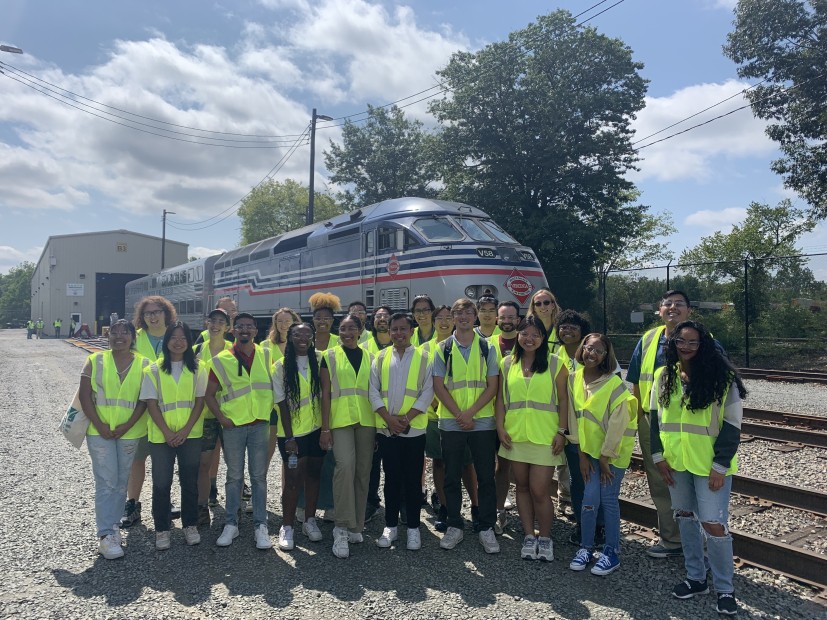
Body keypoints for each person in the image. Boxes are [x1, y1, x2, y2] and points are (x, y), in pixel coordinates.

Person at [651, 320, 745, 616]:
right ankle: (695, 578)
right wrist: (657, 456)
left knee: (713, 524)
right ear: (673, 344)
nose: (687, 347)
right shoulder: (662, 376)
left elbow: (732, 425)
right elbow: (655, 420)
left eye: (693, 342)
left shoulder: (722, 377)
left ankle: (725, 588)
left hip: (710, 467)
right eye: (681, 342)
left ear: (703, 345)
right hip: (676, 463)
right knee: (685, 517)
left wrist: (720, 466)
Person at [495, 316, 568, 562]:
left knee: (540, 490)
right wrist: (500, 427)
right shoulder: (507, 364)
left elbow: (564, 400)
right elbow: (501, 400)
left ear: (543, 338)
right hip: (515, 436)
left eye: (536, 335)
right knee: (522, 487)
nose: (530, 339)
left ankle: (545, 538)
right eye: (525, 334)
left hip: (545, 437)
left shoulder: (556, 364)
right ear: (517, 335)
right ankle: (528, 535)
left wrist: (562, 431)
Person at [626, 290, 691, 558]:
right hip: (652, 420)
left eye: (679, 304)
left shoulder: (703, 339)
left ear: (689, 311)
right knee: (658, 477)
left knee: (690, 476)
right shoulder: (649, 338)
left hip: (689, 422)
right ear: (659, 309)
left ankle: (698, 541)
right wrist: (641, 415)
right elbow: (635, 378)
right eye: (668, 304)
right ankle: (672, 539)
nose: (673, 307)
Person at [77, 320, 150, 560]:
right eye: (114, 332)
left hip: (130, 431)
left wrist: (126, 425)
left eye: (125, 332)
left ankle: (114, 525)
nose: (119, 336)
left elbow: (143, 400)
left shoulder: (143, 364)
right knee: (106, 480)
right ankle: (105, 534)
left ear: (132, 337)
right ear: (108, 336)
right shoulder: (95, 361)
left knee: (120, 480)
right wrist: (99, 424)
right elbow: (84, 396)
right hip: (99, 432)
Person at [433, 298, 500, 553]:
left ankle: (486, 527)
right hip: (451, 421)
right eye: (458, 313)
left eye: (468, 312)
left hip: (481, 421)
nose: (463, 317)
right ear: (452, 317)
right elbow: (439, 385)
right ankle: (454, 525)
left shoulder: (487, 348)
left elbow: (492, 385)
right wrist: (460, 414)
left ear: (475, 317)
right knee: (451, 475)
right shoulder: (443, 348)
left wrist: (470, 413)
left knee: (486, 476)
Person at [568, 333, 637, 576]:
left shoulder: (613, 383)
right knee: (589, 501)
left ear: (606, 356)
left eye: (599, 351)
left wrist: (605, 457)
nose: (592, 354)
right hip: (589, 454)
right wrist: (582, 456)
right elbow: (574, 420)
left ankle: (611, 552)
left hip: (612, 455)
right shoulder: (574, 379)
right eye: (589, 348)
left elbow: (618, 424)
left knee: (607, 500)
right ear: (582, 349)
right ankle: (586, 547)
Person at [205, 312, 274, 550]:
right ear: (233, 330)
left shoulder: (266, 355)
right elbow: (209, 394)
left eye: (249, 327)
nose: (245, 330)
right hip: (233, 426)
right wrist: (222, 418)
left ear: (256, 331)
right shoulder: (221, 359)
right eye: (240, 326)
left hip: (259, 424)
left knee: (258, 477)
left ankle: (260, 525)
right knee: (234, 476)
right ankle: (231, 524)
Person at [370, 313, 433, 551]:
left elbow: (428, 392)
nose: (398, 333)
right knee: (392, 478)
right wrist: (388, 419)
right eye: (394, 329)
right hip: (387, 430)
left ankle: (414, 528)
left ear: (411, 331)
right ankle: (391, 526)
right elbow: (373, 391)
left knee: (412, 480)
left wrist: (406, 419)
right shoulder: (381, 357)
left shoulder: (425, 357)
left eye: (403, 329)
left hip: (414, 430)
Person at [141, 322, 206, 549]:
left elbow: (199, 402)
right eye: (174, 337)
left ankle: (190, 525)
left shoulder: (199, 368)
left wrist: (185, 430)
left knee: (189, 481)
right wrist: (168, 432)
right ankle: (162, 528)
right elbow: (151, 404)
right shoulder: (153, 370)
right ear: (166, 340)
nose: (178, 342)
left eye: (183, 338)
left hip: (191, 435)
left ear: (189, 342)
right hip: (161, 436)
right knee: (161, 482)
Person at [320, 314, 375, 558]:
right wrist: (324, 428)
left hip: (366, 421)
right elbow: (325, 394)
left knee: (363, 472)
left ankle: (356, 525)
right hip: (340, 420)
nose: (347, 333)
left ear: (361, 330)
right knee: (344, 467)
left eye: (352, 328)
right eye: (343, 329)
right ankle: (341, 527)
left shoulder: (371, 357)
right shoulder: (329, 357)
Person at [121, 296, 177, 529]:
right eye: (148, 313)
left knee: (165, 461)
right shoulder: (136, 338)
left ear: (166, 313)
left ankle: (165, 502)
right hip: (141, 410)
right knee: (137, 460)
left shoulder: (176, 335)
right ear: (142, 317)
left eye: (157, 312)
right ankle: (132, 503)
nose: (153, 317)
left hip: (170, 410)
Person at [273, 323, 326, 551]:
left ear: (313, 337)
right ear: (290, 337)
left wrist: (325, 429)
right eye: (297, 334)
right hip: (292, 433)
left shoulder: (320, 359)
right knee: (293, 480)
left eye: (307, 334)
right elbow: (282, 403)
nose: (302, 338)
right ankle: (287, 526)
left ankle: (310, 520)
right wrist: (289, 437)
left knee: (314, 476)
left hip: (316, 429)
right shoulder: (281, 366)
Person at [553, 309, 602, 545]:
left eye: (573, 326)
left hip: (594, 429)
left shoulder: (594, 356)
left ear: (583, 331)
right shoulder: (553, 354)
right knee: (577, 479)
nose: (568, 330)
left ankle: (600, 526)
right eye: (563, 326)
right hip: (567, 427)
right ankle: (584, 526)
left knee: (597, 478)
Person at [193, 308, 233, 527]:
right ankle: (201, 506)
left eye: (221, 322)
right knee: (204, 463)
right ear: (206, 323)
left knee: (234, 463)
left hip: (230, 414)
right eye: (212, 321)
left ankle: (232, 509)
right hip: (205, 416)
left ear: (228, 327)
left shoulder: (234, 350)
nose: (215, 325)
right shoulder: (196, 350)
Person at [490, 301, 520, 534]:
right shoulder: (487, 344)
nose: (507, 320)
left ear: (517, 319)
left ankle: (499, 509)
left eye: (512, 316)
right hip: (485, 414)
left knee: (505, 466)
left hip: (514, 417)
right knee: (485, 464)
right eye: (503, 317)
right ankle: (487, 507)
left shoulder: (528, 343)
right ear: (497, 320)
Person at [363, 305, 394, 522]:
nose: (381, 319)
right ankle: (371, 501)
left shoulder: (402, 343)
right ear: (373, 321)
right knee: (371, 464)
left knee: (395, 464)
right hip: (371, 414)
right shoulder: (364, 346)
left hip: (397, 415)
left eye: (385, 316)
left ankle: (397, 503)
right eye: (378, 316)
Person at [266, 307, 302, 467]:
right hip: (273, 404)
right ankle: (260, 480)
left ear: (295, 322)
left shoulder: (301, 344)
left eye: (287, 321)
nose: (283, 324)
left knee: (290, 452)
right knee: (269, 447)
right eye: (279, 321)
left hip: (296, 403)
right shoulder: (266, 346)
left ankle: (287, 486)